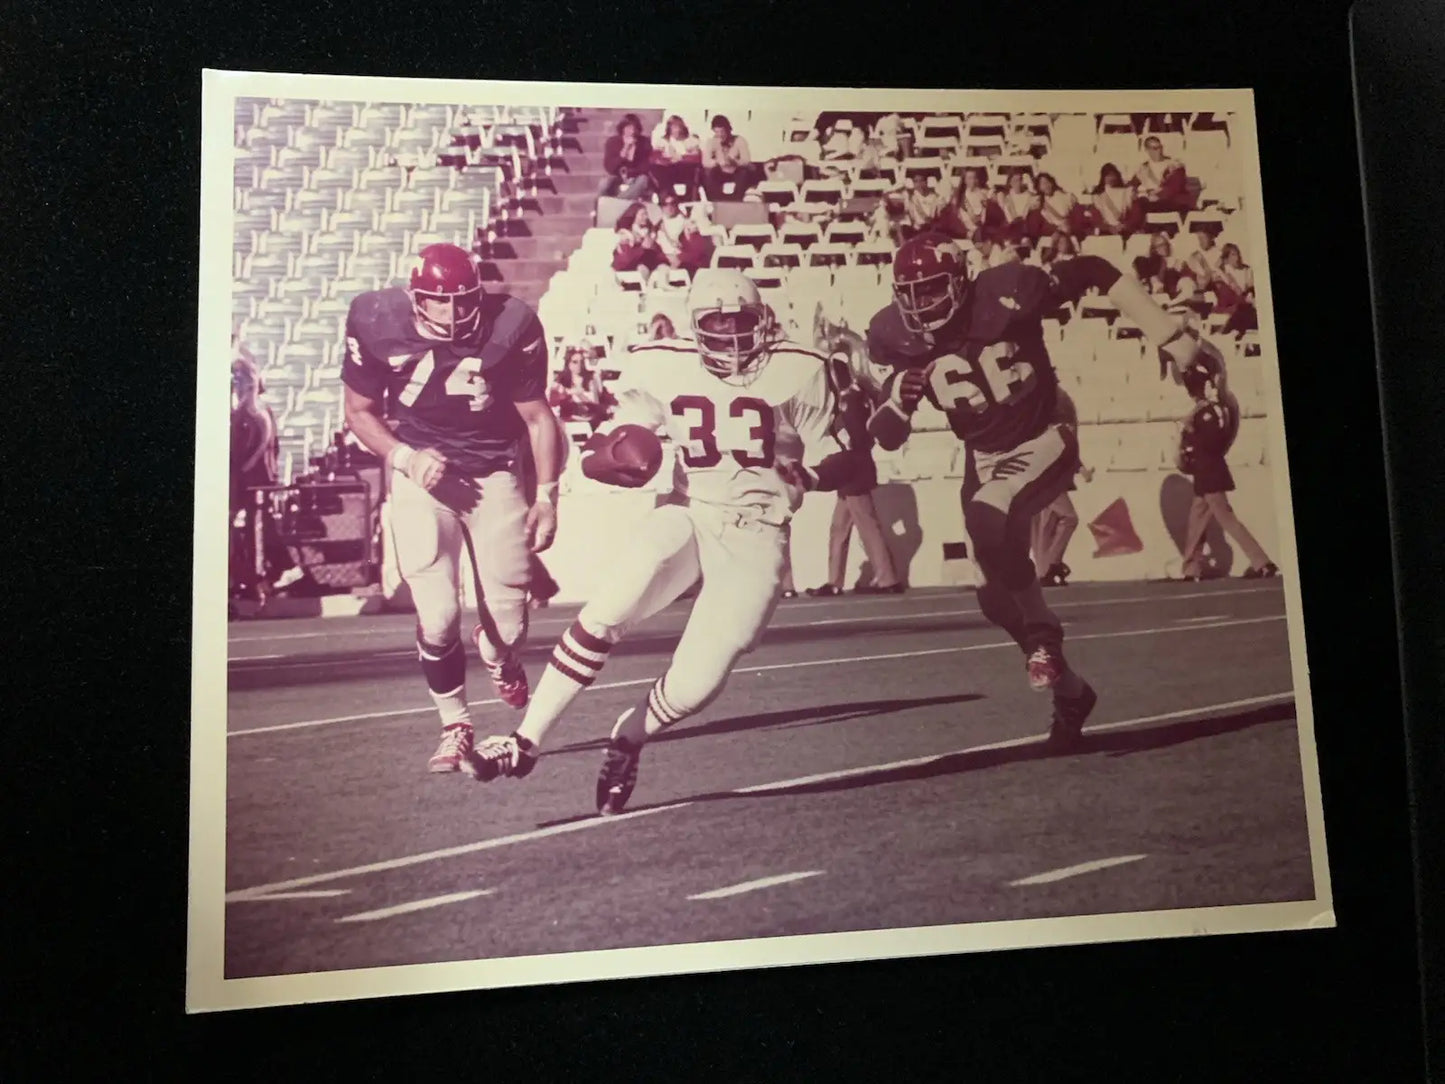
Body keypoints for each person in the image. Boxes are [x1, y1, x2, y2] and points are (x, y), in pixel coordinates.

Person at [462, 269, 871, 813]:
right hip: (688, 509)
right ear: (694, 327)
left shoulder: (798, 371)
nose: (729, 337)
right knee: (610, 605)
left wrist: (813, 476)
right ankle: (524, 741)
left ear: (762, 322)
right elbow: (607, 440)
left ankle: (629, 736)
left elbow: (848, 455)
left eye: (740, 323)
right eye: (716, 325)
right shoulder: (662, 363)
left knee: (697, 684)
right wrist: (611, 456)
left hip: (756, 531)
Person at [865, 232, 1222, 746]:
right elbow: (887, 436)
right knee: (993, 599)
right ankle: (1071, 692)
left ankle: (1044, 637)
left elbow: (1097, 268)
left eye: (932, 289)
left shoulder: (1009, 290)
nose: (921, 305)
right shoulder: (894, 335)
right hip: (984, 455)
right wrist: (897, 400)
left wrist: (1169, 336)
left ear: (960, 281)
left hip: (1045, 430)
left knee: (989, 515)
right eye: (911, 293)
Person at [342, 242, 565, 774]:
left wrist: (548, 497)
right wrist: (403, 457)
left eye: (461, 301)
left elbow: (539, 419)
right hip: (425, 474)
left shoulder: (512, 323)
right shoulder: (375, 318)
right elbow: (358, 410)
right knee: (437, 615)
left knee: (509, 628)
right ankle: (455, 724)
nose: (449, 314)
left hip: (493, 474)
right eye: (435, 303)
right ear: (413, 297)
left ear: (478, 294)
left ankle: (496, 651)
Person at [1176, 357, 1278, 580]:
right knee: (1196, 522)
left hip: (1210, 476)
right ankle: (1191, 568)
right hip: (1205, 477)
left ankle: (1262, 562)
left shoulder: (1207, 413)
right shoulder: (1208, 410)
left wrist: (1190, 430)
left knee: (1228, 521)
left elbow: (1211, 444)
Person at [230, 347, 302, 598]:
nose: (237, 383)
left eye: (240, 378)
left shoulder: (256, 409)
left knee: (259, 528)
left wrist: (244, 469)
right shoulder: (243, 409)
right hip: (248, 482)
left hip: (256, 483)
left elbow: (262, 443)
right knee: (254, 528)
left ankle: (269, 575)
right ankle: (266, 574)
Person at [1029, 386, 1091, 587]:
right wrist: (1080, 469)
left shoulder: (1042, 427)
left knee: (1045, 525)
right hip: (1048, 481)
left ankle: (1044, 571)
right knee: (1068, 518)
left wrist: (1080, 469)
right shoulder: (1054, 428)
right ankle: (1052, 564)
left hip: (1042, 479)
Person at [547, 346, 610, 426]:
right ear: (568, 363)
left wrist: (579, 394)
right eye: (575, 362)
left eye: (582, 362)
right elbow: (551, 402)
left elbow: (595, 404)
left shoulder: (590, 379)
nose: (579, 365)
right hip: (568, 418)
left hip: (588, 418)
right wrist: (566, 394)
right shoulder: (561, 380)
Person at [1131, 135, 1193, 215]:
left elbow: (1176, 187)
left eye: (1160, 147)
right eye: (1155, 148)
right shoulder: (1143, 168)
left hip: (1171, 201)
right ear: (1147, 150)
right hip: (1151, 202)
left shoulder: (1174, 165)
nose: (1159, 151)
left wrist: (1158, 194)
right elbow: (1133, 184)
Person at [701, 115, 757, 201]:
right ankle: (715, 201)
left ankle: (737, 200)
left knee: (744, 174)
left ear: (728, 129)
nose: (720, 135)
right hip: (720, 171)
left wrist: (734, 162)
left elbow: (746, 160)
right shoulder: (711, 142)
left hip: (735, 171)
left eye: (722, 132)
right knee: (708, 174)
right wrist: (717, 162)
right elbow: (705, 162)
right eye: (717, 132)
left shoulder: (739, 140)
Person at [1208, 243, 1258, 337]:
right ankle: (1227, 333)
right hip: (1228, 303)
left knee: (1251, 310)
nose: (1237, 257)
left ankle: (1236, 334)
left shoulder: (1247, 269)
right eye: (1233, 255)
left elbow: (1251, 288)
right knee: (1243, 309)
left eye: (1238, 254)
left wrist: (1250, 295)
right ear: (1226, 258)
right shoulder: (1223, 271)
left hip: (1244, 300)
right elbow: (1225, 290)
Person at [599, 114, 652, 201]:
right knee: (603, 183)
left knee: (644, 180)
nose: (632, 131)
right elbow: (609, 167)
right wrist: (623, 153)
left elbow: (646, 165)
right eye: (628, 128)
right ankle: (598, 209)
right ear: (622, 128)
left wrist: (631, 172)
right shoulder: (612, 142)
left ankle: (619, 201)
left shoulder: (644, 142)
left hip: (636, 176)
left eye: (634, 128)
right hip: (617, 175)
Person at [651, 114, 702, 199]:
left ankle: (689, 199)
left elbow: (697, 158)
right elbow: (654, 158)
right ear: (669, 128)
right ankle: (668, 197)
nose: (677, 130)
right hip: (669, 170)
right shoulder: (663, 141)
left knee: (693, 171)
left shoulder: (691, 140)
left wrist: (681, 158)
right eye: (674, 127)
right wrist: (669, 160)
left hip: (686, 170)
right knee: (658, 170)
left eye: (679, 127)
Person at [1088, 162, 1144, 237]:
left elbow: (1136, 214)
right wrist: (1109, 228)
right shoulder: (1098, 196)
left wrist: (1125, 225)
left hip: (1125, 230)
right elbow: (1096, 219)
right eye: (1107, 175)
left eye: (1113, 175)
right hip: (1106, 232)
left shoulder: (1128, 193)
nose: (1111, 178)